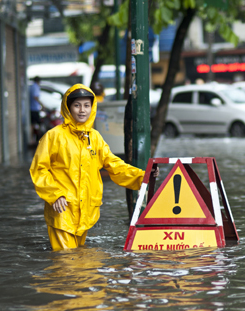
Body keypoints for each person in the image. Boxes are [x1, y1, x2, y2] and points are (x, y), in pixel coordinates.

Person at [30, 84, 158, 251]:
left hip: (86, 213)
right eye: (77, 105)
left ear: (93, 107)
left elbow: (114, 164)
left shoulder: (94, 137)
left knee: (80, 263)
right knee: (67, 264)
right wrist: (56, 195)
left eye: (86, 105)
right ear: (68, 108)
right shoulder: (53, 137)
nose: (82, 110)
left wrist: (143, 175)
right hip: (62, 210)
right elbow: (39, 169)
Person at [29, 76, 45, 140]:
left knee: (33, 124)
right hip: (34, 108)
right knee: (36, 124)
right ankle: (34, 138)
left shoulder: (31, 87)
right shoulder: (35, 87)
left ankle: (32, 138)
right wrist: (42, 104)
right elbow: (35, 97)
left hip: (32, 108)